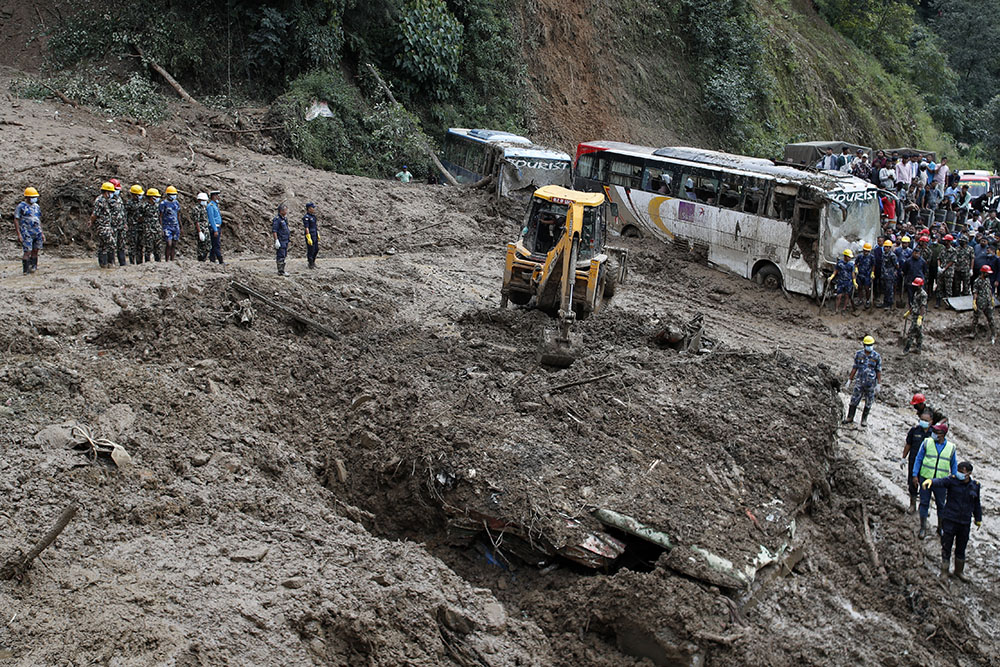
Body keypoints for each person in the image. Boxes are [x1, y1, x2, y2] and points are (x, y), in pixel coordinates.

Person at [922, 461, 982, 581]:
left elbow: (977, 503)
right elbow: (941, 481)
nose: (959, 474)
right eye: (958, 471)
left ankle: (959, 571)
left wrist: (978, 518)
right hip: (950, 519)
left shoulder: (975, 485)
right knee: (946, 545)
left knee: (961, 547)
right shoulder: (952, 481)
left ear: (969, 473)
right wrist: (931, 481)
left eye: (962, 472)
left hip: (964, 522)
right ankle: (944, 571)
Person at [913, 422, 957, 539]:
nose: (933, 434)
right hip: (925, 478)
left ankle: (940, 527)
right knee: (924, 503)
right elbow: (919, 458)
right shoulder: (927, 442)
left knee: (941, 505)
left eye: (936, 432)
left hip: (941, 482)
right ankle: (923, 527)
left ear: (942, 434)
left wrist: (954, 480)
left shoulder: (951, 447)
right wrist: (915, 475)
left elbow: (954, 465)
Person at [844, 335, 881, 427]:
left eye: (871, 345)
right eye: (868, 345)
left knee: (869, 401)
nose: (870, 346)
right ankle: (850, 417)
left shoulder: (876, 356)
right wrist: (850, 380)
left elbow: (878, 370)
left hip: (871, 384)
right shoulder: (859, 354)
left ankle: (864, 420)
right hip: (859, 382)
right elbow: (854, 368)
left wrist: (879, 384)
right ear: (864, 345)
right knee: (854, 400)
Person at [902, 411, 934, 514]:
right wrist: (903, 457)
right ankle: (912, 505)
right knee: (912, 483)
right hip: (913, 461)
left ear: (931, 421)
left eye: (926, 420)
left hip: (928, 464)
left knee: (926, 485)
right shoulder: (914, 431)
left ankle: (925, 507)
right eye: (922, 420)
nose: (923, 422)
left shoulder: (934, 434)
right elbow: (908, 444)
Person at [15, 186, 43, 275]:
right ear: (27, 197)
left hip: (37, 232)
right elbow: (16, 219)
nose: (34, 199)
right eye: (32, 197)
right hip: (26, 232)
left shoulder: (36, 207)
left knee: (36, 250)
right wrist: (19, 234)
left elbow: (38, 220)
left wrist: (41, 232)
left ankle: (33, 266)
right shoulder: (21, 207)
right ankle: (25, 270)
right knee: (27, 251)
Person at [89, 181, 117, 269]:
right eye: (111, 192)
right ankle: (109, 263)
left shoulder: (107, 200)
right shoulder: (100, 201)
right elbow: (95, 214)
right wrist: (91, 222)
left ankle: (104, 265)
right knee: (111, 244)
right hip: (102, 227)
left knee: (104, 246)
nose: (112, 194)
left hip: (107, 226)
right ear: (106, 192)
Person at [972, 265, 997, 344]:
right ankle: (973, 333)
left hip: (988, 302)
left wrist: (992, 298)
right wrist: (974, 302)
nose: (988, 274)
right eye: (987, 273)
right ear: (983, 273)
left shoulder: (987, 280)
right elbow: (975, 292)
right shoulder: (977, 281)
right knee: (976, 318)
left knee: (991, 318)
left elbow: (989, 289)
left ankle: (993, 334)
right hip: (980, 303)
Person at [903, 278, 927, 354]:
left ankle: (907, 349)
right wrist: (908, 312)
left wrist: (920, 317)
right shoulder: (916, 292)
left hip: (918, 315)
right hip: (914, 314)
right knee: (918, 332)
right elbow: (914, 304)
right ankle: (918, 348)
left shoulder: (923, 294)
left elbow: (923, 307)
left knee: (911, 332)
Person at [828, 249, 855, 315]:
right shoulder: (840, 263)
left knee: (846, 296)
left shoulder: (851, 265)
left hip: (848, 282)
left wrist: (854, 281)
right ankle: (836, 309)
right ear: (845, 256)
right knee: (838, 296)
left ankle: (844, 309)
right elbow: (836, 271)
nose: (850, 258)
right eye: (849, 257)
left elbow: (853, 273)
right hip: (840, 281)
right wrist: (831, 277)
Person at [159, 185, 181, 262]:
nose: (173, 196)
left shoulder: (176, 203)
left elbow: (178, 215)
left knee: (174, 244)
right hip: (167, 226)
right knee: (169, 243)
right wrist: (161, 228)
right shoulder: (163, 204)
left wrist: (180, 226)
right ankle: (167, 260)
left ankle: (172, 260)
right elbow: (160, 216)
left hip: (175, 226)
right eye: (172, 194)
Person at [108, 179, 127, 266]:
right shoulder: (107, 200)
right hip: (112, 226)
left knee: (121, 245)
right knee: (111, 245)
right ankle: (111, 263)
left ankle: (122, 263)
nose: (117, 191)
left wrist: (125, 223)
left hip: (121, 226)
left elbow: (122, 212)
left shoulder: (119, 199)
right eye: (116, 189)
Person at [936, 234, 957, 307]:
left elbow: (952, 261)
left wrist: (945, 268)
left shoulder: (953, 251)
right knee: (939, 287)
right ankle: (938, 302)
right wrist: (939, 267)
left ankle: (949, 303)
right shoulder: (942, 249)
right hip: (941, 271)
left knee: (948, 288)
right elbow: (938, 258)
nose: (945, 242)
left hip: (948, 272)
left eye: (946, 241)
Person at [125, 184, 145, 264]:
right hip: (132, 227)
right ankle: (132, 262)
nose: (140, 196)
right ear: (134, 195)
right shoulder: (129, 204)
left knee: (140, 245)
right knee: (132, 245)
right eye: (139, 195)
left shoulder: (142, 203)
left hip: (141, 227)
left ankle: (140, 262)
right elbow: (125, 215)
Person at [143, 188, 163, 262]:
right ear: (151, 197)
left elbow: (160, 216)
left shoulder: (158, 206)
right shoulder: (144, 206)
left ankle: (158, 262)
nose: (157, 198)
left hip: (157, 229)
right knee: (148, 247)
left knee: (158, 247)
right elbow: (140, 217)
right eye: (156, 197)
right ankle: (147, 263)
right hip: (148, 229)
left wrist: (161, 228)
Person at [855, 242, 875, 309]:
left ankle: (867, 300)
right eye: (865, 251)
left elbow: (873, 265)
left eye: (867, 251)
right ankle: (860, 299)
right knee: (859, 287)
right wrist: (856, 269)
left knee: (867, 288)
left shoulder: (871, 257)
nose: (866, 252)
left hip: (867, 275)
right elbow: (856, 263)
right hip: (860, 274)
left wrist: (872, 272)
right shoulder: (860, 256)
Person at [272, 203, 290, 276]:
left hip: (285, 240)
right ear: (281, 211)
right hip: (281, 240)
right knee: (281, 255)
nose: (286, 211)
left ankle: (282, 270)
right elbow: (274, 230)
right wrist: (276, 240)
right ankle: (280, 271)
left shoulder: (284, 219)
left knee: (284, 255)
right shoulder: (277, 219)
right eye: (285, 210)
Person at [207, 190, 224, 264]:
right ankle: (220, 260)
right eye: (217, 195)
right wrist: (215, 229)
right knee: (216, 244)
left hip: (217, 227)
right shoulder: (210, 206)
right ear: (213, 196)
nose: (218, 197)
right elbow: (211, 219)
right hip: (214, 227)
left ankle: (212, 260)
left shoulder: (215, 205)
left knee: (214, 245)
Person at [880, 240, 899, 309]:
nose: (886, 248)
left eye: (888, 247)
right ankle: (885, 302)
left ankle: (889, 303)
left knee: (889, 289)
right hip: (883, 274)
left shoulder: (892, 255)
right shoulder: (883, 254)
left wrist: (894, 271)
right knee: (885, 289)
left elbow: (897, 265)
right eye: (885, 247)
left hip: (890, 275)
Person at [193, 193, 211, 261]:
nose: (205, 202)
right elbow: (196, 221)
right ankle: (201, 260)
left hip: (205, 229)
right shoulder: (196, 209)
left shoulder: (204, 208)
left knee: (208, 246)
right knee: (201, 246)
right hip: (201, 229)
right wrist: (199, 232)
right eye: (203, 200)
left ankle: (204, 258)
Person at [303, 202, 320, 269]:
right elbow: (306, 227)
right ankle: (310, 263)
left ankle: (313, 261)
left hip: (314, 234)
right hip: (310, 235)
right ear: (309, 209)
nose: (314, 209)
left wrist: (317, 233)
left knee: (316, 249)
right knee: (311, 249)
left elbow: (315, 226)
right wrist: (308, 236)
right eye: (312, 208)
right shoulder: (306, 217)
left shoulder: (313, 217)